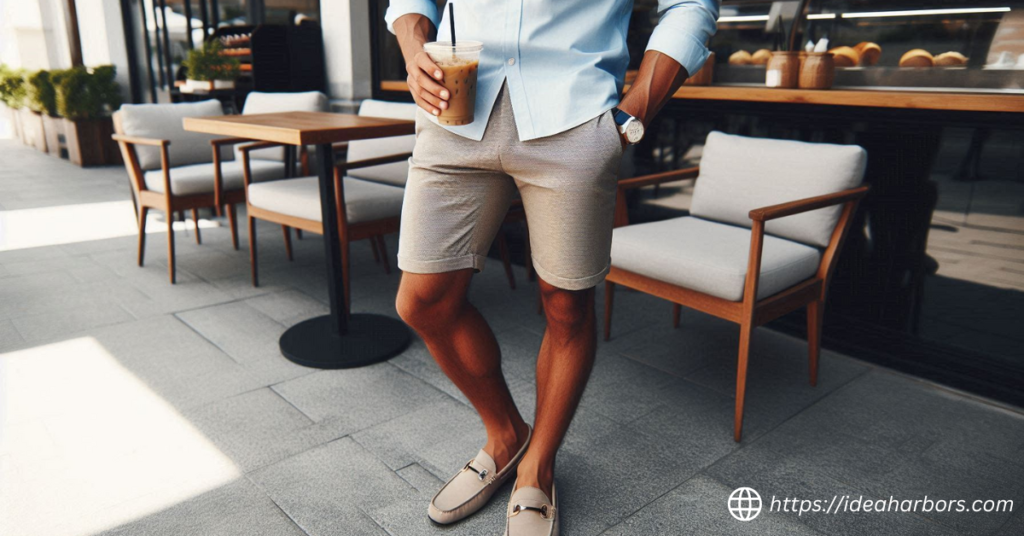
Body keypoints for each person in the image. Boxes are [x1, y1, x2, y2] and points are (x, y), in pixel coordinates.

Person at [386, 1, 719, 533]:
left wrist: (633, 113)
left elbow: (692, 5)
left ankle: (537, 464)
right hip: (455, 104)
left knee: (566, 306)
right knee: (422, 301)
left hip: (574, 113)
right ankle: (505, 435)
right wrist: (413, 51)